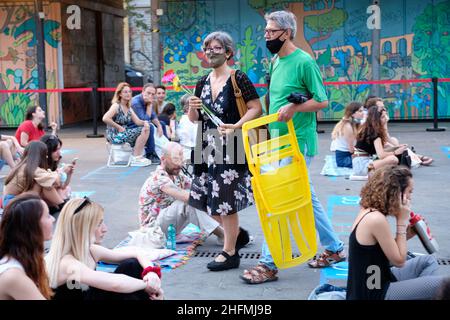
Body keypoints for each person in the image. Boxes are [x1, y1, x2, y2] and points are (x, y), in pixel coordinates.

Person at [241, 10, 345, 284]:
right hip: (278, 141)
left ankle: (268, 263)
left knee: (279, 201)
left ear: (286, 33)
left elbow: (322, 101)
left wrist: (294, 106)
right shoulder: (276, 60)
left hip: (297, 143)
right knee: (306, 198)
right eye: (265, 30)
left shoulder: (304, 62)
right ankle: (334, 248)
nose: (266, 35)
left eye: (271, 31)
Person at [188, 31, 262, 271]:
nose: (210, 51)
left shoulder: (238, 78)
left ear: (228, 53)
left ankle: (230, 252)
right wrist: (192, 107)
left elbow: (256, 108)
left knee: (225, 203)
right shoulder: (202, 82)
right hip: (206, 145)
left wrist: (236, 127)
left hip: (231, 146)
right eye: (207, 48)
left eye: (216, 48)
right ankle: (236, 235)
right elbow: (194, 119)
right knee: (206, 200)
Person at [346, 165, 445, 300]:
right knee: (441, 285)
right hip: (374, 292)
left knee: (428, 262)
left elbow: (378, 254)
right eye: (410, 192)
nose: (410, 197)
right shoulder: (376, 219)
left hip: (378, 278)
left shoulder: (369, 211)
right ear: (397, 193)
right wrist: (401, 221)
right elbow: (399, 261)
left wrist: (407, 235)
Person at [45, 197, 164, 300]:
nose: (105, 229)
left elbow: (136, 252)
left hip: (88, 296)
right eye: (99, 224)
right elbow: (115, 284)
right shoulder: (67, 263)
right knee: (126, 289)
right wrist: (148, 285)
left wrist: (151, 272)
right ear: (83, 229)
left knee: (132, 265)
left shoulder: (91, 250)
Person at [138, 142, 224, 242]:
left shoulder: (177, 174)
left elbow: (199, 188)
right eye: (175, 161)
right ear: (163, 160)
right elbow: (189, 197)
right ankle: (223, 234)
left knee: (200, 196)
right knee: (189, 201)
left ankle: (226, 230)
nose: (179, 165)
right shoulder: (159, 178)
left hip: (169, 224)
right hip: (153, 228)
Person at [0, 193, 54, 300]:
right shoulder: (13, 275)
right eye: (48, 215)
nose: (53, 219)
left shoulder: (23, 258)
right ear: (32, 226)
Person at [366, 97, 433, 166]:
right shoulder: (371, 125)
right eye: (381, 108)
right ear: (373, 110)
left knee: (394, 141)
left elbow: (385, 136)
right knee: (392, 150)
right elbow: (380, 148)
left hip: (376, 149)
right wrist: (395, 151)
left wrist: (398, 147)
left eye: (384, 107)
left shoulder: (379, 119)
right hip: (370, 154)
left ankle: (413, 157)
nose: (384, 110)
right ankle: (415, 158)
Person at [3, 141, 64, 210]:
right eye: (46, 154)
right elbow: (56, 181)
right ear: (41, 155)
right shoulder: (32, 168)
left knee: (43, 182)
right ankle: (63, 205)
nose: (47, 157)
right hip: (13, 205)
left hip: (10, 202)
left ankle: (59, 206)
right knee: (44, 184)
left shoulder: (24, 166)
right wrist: (59, 173)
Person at [102, 82, 152, 167]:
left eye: (129, 92)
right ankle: (136, 157)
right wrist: (118, 127)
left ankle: (137, 156)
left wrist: (145, 123)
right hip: (115, 135)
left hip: (124, 133)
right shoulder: (116, 106)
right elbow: (105, 118)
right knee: (143, 130)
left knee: (146, 128)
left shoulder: (128, 108)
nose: (128, 94)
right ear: (120, 94)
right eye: (125, 92)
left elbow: (137, 121)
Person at [353, 102, 405, 176]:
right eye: (383, 117)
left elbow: (384, 146)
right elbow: (381, 155)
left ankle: (377, 171)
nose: (386, 118)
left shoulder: (369, 128)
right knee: (393, 159)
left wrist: (397, 148)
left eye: (386, 116)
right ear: (376, 119)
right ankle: (373, 171)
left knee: (390, 150)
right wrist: (396, 152)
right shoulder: (374, 133)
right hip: (362, 166)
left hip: (361, 161)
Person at [131, 83, 165, 164]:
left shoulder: (147, 100)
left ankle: (164, 149)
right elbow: (144, 120)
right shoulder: (136, 102)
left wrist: (159, 126)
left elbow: (153, 116)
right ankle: (150, 153)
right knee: (150, 126)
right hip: (130, 125)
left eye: (153, 94)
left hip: (140, 123)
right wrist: (149, 106)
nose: (150, 95)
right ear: (143, 91)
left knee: (162, 124)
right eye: (148, 93)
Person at [40, 134, 75, 202]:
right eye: (55, 150)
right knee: (60, 191)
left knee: (65, 189)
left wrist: (69, 174)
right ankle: (63, 207)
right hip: (38, 200)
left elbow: (63, 186)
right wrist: (62, 172)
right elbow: (54, 184)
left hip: (47, 199)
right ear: (47, 151)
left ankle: (64, 207)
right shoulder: (40, 166)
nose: (59, 153)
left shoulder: (52, 163)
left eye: (59, 149)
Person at [330, 102, 364, 168]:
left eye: (363, 110)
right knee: (370, 162)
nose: (363, 113)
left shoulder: (356, 122)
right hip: (344, 158)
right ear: (353, 114)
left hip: (349, 155)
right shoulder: (348, 126)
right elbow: (351, 150)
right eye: (360, 111)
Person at [177, 94, 198, 161]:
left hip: (187, 150)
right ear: (186, 107)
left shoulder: (183, 119)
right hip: (190, 150)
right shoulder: (187, 119)